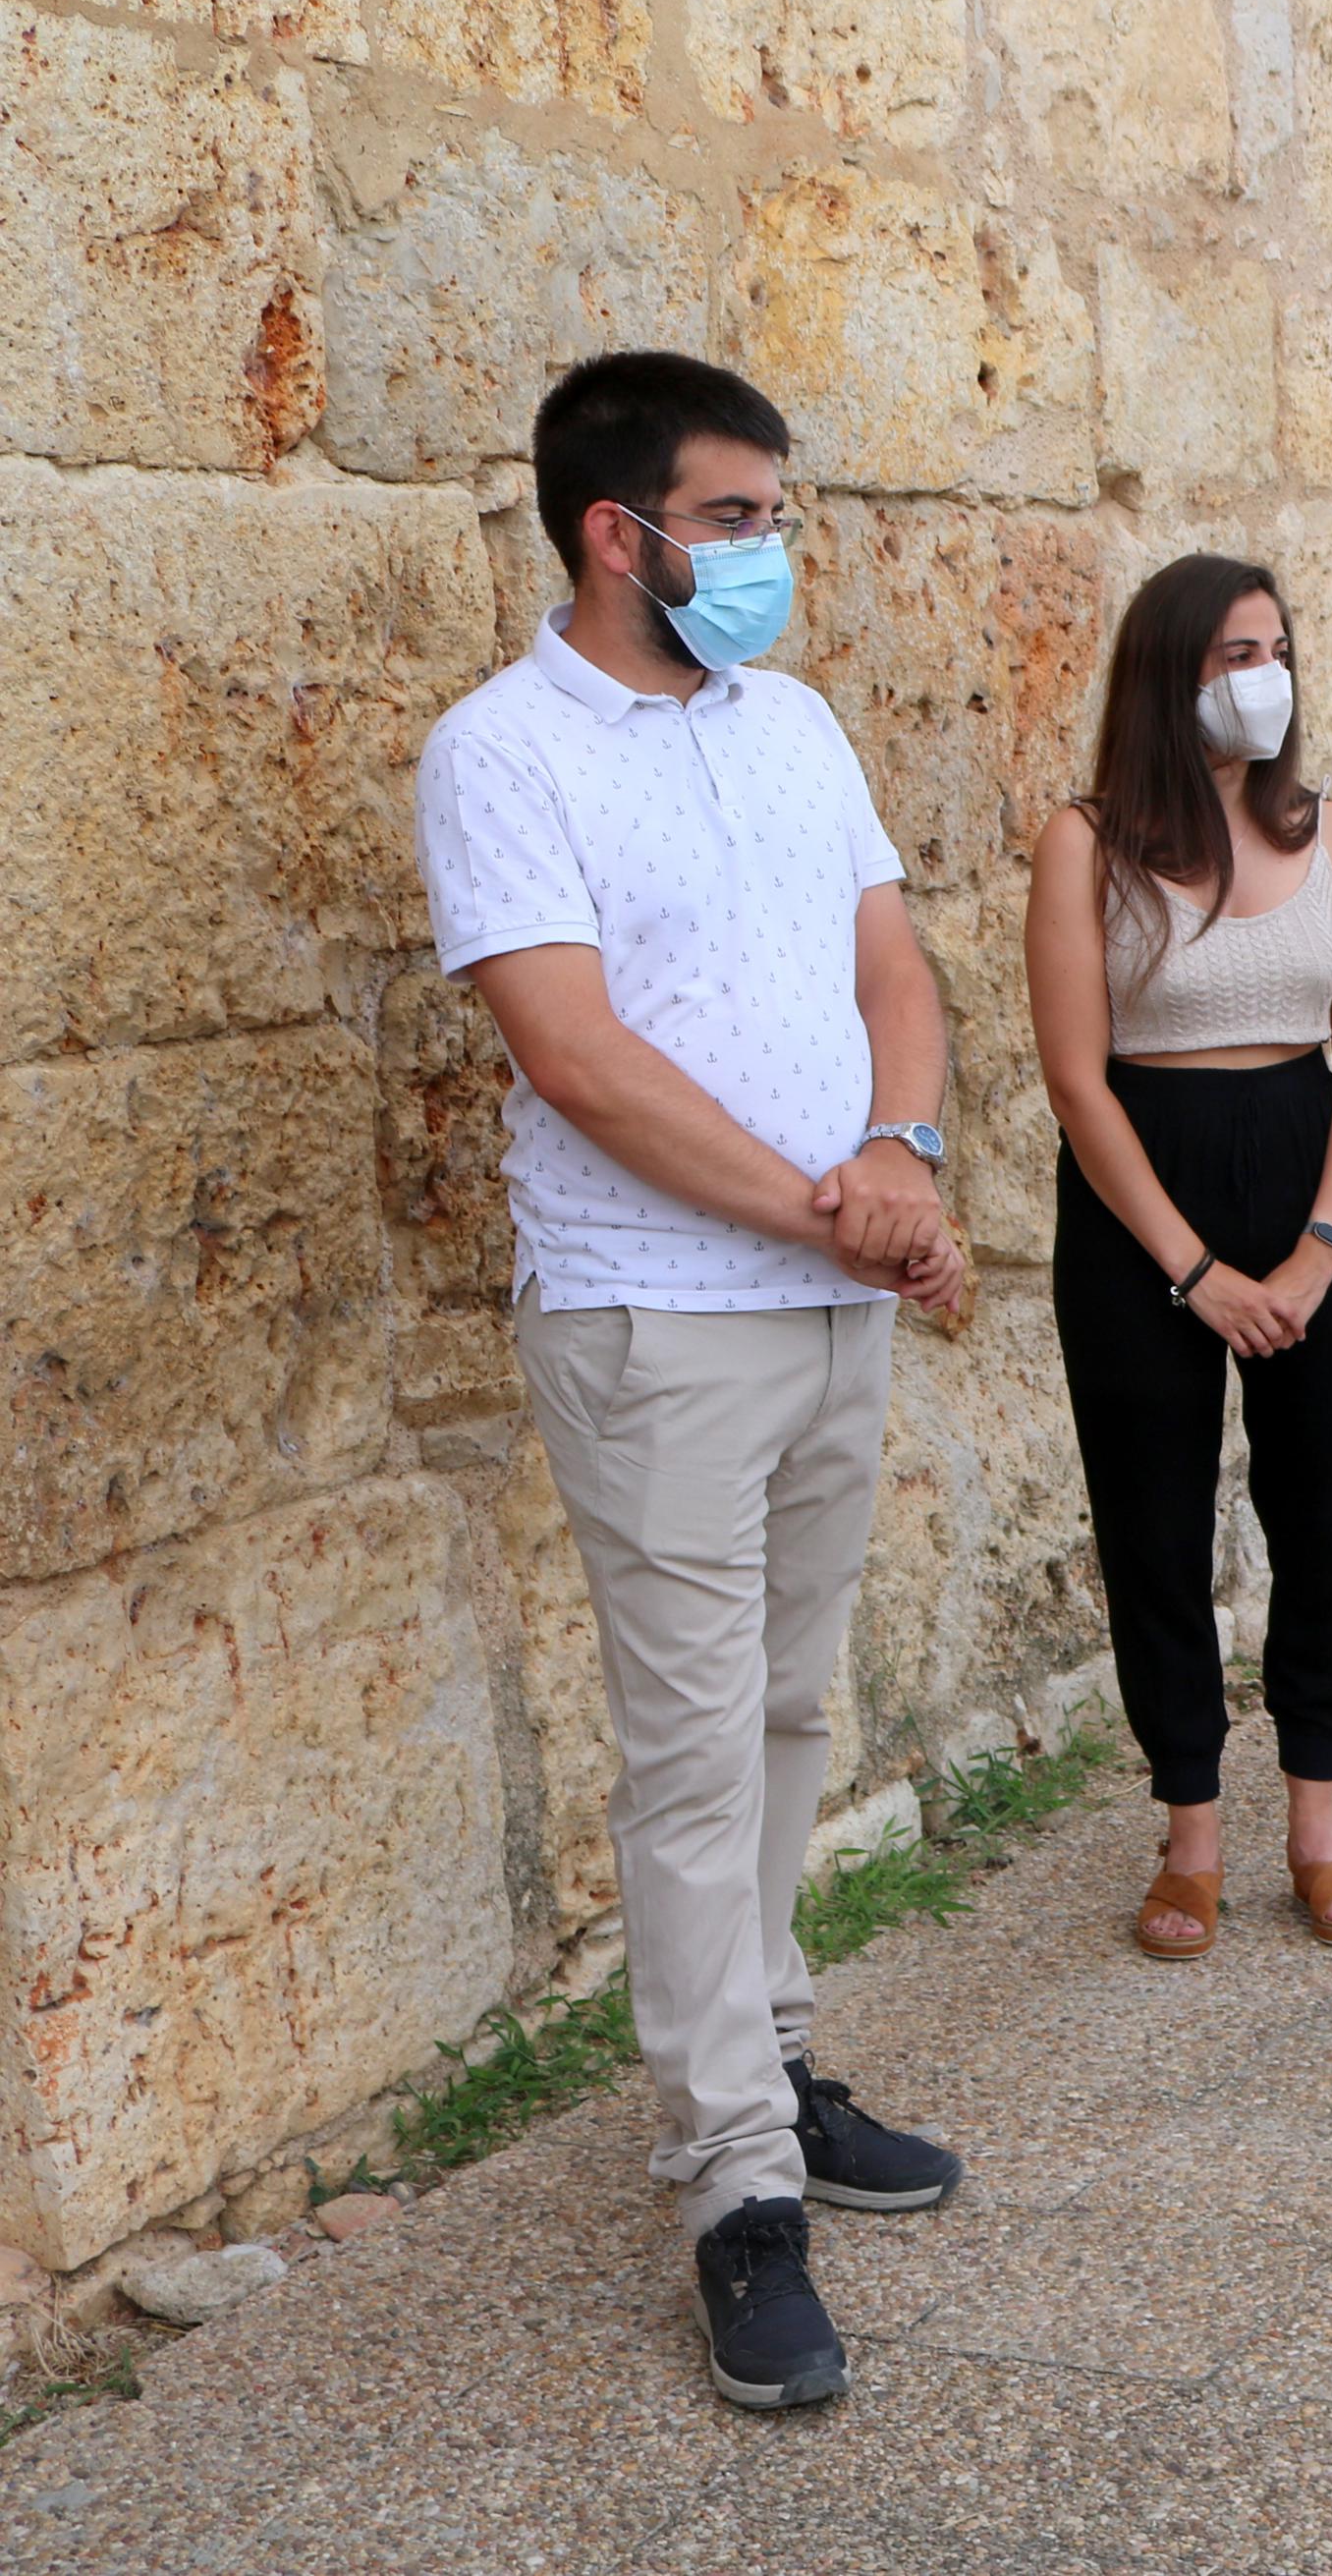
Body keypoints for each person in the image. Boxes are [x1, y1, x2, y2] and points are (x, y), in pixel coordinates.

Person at [414, 351, 970, 2412]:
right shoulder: (500, 754)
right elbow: (575, 1059)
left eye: (777, 515)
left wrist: (901, 1157)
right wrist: (827, 1210)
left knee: (788, 1707)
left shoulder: (796, 722)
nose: (772, 551)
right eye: (737, 518)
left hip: (834, 1304)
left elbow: (890, 967)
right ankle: (737, 2188)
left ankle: (776, 2053)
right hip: (654, 1312)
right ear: (614, 533)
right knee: (683, 1743)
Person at [1027, 555, 1332, 1964]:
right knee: (1154, 1525)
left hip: (1311, 1184)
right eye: (1232, 652)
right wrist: (1194, 1273)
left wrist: (1317, 1250)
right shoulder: (1088, 844)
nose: (1264, 676)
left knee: (1324, 1518)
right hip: (1142, 1211)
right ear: (1166, 675)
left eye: (1277, 647)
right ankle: (1189, 1828)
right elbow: (1078, 1080)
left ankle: (1319, 1820)